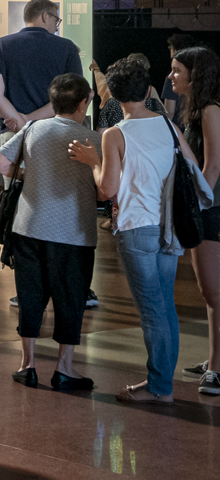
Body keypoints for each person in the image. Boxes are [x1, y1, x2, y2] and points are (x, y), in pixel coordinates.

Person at [70, 55, 203, 402]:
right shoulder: (168, 125)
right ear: (148, 91)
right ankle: (163, 383)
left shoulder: (115, 134)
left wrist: (94, 162)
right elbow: (192, 165)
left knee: (151, 310)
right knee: (165, 306)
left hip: (136, 227)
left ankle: (160, 388)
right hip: (169, 226)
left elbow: (107, 189)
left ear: (113, 95)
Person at [0, 73, 98, 391]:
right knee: (70, 300)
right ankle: (65, 369)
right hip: (75, 233)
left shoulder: (34, 128)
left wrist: (27, 173)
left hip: (29, 227)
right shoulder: (90, 139)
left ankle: (28, 366)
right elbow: (105, 186)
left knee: (30, 297)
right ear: (83, 102)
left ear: (52, 103)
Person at [168, 46, 220, 396]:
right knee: (210, 291)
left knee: (212, 290)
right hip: (207, 206)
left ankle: (217, 367)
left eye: (176, 70)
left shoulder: (210, 110)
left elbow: (213, 166)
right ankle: (215, 358)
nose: (171, 76)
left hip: (212, 208)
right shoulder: (197, 109)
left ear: (194, 74)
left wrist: (196, 207)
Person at [0, 0, 85, 132]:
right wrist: (29, 119)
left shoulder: (1, 45)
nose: (56, 27)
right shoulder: (67, 47)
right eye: (56, 20)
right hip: (54, 133)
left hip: (13, 132)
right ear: (45, 16)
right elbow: (73, 93)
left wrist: (22, 124)